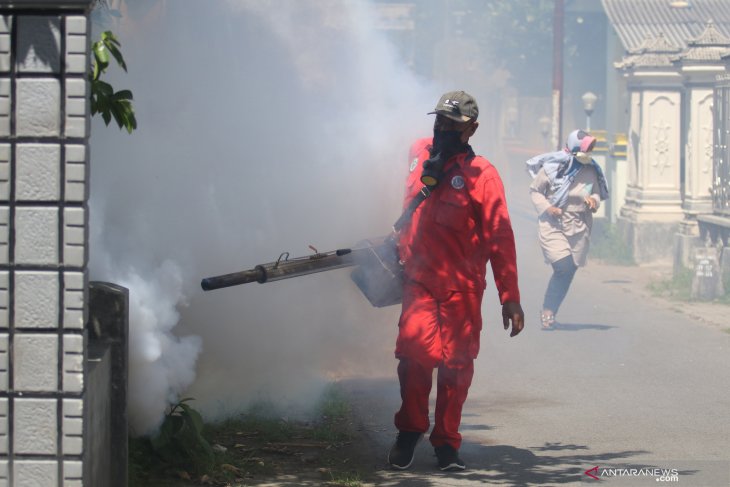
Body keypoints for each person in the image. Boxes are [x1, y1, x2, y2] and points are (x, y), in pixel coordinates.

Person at [388, 90, 524, 472]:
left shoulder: (483, 175)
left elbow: (500, 236)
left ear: (471, 129)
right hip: (418, 280)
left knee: (455, 366)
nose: (443, 128)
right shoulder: (418, 152)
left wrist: (509, 296)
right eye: (441, 120)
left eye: (453, 124)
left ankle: (447, 443)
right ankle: (410, 431)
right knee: (413, 358)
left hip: (461, 287)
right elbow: (406, 204)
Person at [526, 129, 609, 329]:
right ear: (574, 147)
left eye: (591, 149)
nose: (588, 152)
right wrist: (548, 207)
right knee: (562, 266)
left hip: (579, 224)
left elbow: (597, 193)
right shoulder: (554, 167)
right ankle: (548, 311)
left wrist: (593, 201)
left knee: (569, 269)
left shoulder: (592, 169)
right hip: (553, 223)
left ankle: (550, 311)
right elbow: (536, 191)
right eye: (585, 148)